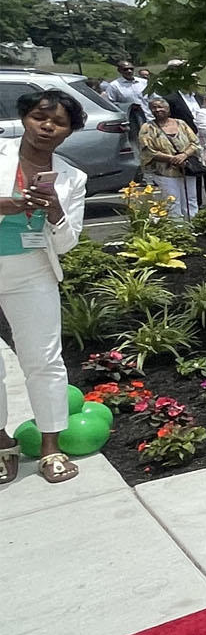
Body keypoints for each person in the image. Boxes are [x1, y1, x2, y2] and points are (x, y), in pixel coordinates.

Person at [0, 91, 90, 485]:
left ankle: (52, 447)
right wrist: (6, 205)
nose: (48, 126)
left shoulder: (72, 177)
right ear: (25, 117)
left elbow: (68, 241)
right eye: (40, 117)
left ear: (69, 133)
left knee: (44, 359)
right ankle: (2, 444)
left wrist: (54, 209)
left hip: (33, 270)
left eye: (59, 123)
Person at [138, 96, 202, 218]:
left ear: (168, 109)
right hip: (165, 171)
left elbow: (195, 143)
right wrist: (172, 159)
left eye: (160, 107)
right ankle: (177, 229)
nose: (157, 110)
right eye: (154, 108)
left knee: (191, 200)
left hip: (187, 168)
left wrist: (184, 155)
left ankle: (194, 225)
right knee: (172, 201)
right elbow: (147, 150)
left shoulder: (181, 123)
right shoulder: (147, 127)